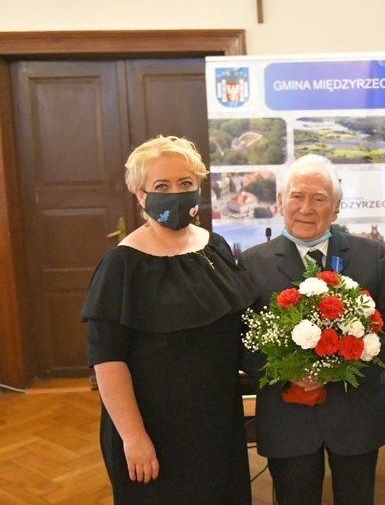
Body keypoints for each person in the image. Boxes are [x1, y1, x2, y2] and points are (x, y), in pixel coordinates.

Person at [81, 136, 259, 504]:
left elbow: (241, 330)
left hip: (217, 423)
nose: (175, 194)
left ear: (198, 188)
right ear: (140, 194)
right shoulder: (122, 265)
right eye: (162, 186)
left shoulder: (216, 247)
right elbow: (108, 360)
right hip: (153, 431)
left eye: (185, 184)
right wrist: (133, 437)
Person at [240, 154, 385, 505]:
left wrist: (340, 368)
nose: (306, 207)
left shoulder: (370, 255)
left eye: (319, 199)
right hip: (288, 420)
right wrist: (290, 373)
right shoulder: (251, 263)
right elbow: (240, 343)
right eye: (297, 196)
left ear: (335, 209)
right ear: (281, 202)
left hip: (357, 416)